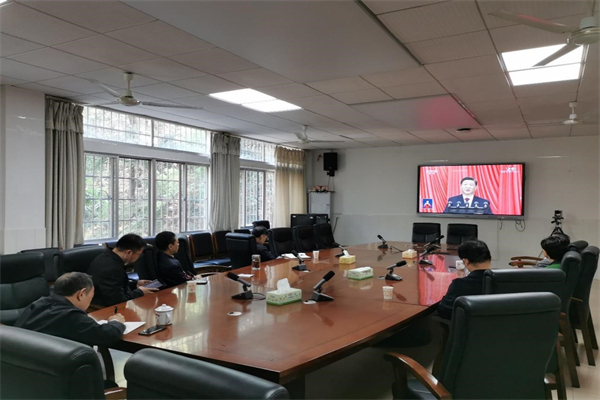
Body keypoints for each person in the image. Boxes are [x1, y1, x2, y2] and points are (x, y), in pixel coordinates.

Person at [15, 272, 125, 347]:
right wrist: (116, 321)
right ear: (81, 294)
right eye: (91, 297)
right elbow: (107, 335)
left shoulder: (37, 304)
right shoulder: (72, 316)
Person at [88, 234, 158, 307]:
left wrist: (135, 284)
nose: (139, 257)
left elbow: (116, 285)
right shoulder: (112, 267)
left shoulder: (106, 257)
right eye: (139, 254)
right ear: (128, 253)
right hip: (102, 307)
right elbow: (119, 300)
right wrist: (140, 292)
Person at [438, 240, 492, 320]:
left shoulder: (459, 284)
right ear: (490, 258)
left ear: (466, 262)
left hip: (471, 326)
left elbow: (444, 311)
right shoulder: (506, 280)